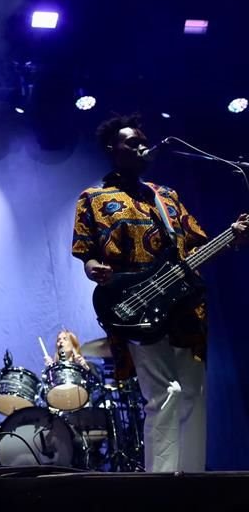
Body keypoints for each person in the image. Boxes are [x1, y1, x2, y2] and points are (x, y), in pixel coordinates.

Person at [71, 113, 248, 472]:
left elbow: (197, 246)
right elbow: (86, 251)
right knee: (164, 395)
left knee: (193, 395)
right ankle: (161, 488)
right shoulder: (94, 198)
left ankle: (194, 484)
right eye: (130, 141)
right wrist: (93, 269)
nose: (140, 145)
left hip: (185, 305)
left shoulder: (166, 196)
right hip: (136, 304)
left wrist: (233, 236)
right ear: (112, 149)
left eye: (141, 139)